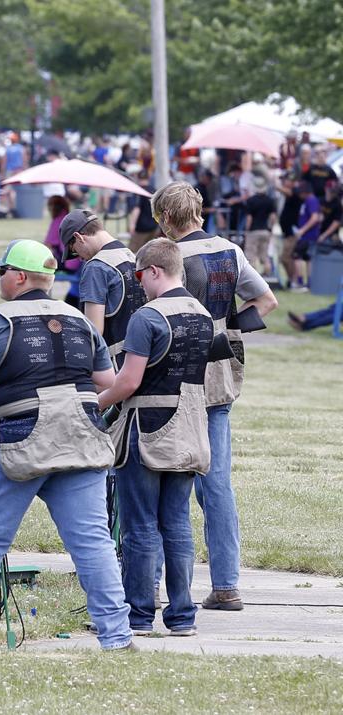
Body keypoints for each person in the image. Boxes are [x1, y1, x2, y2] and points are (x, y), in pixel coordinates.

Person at [0, 239, 131, 651]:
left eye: (1, 270)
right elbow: (107, 383)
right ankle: (117, 636)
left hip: (19, 438)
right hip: (82, 437)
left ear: (18, 276)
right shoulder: (79, 320)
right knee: (93, 541)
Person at [151, 181, 278, 611]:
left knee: (161, 477)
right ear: (199, 212)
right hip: (221, 374)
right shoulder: (231, 251)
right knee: (216, 483)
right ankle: (226, 585)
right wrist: (229, 330)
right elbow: (267, 301)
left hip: (174, 376)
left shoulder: (166, 257)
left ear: (166, 218)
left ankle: (150, 584)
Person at [97, 238, 214, 638]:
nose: (139, 285)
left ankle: (139, 616)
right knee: (178, 525)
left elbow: (128, 382)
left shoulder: (146, 318)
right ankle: (183, 616)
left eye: (139, 276)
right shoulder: (202, 313)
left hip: (146, 430)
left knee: (141, 526)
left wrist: (95, 403)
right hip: (190, 429)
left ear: (154, 271)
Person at [62, 209, 147, 365]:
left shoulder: (96, 267)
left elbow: (94, 332)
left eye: (75, 252)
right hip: (140, 358)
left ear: (78, 237)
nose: (80, 259)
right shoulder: (131, 255)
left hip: (113, 363)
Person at [287, 181, 321, 292]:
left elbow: (315, 217)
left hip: (307, 235)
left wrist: (302, 230)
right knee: (307, 258)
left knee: (297, 257)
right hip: (308, 235)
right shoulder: (308, 201)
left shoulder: (311, 200)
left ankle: (300, 283)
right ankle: (309, 283)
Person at [242, 172, 277, 275]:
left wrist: (246, 230)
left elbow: (249, 218)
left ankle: (253, 278)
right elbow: (273, 217)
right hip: (265, 230)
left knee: (251, 256)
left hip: (254, 230)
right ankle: (268, 275)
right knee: (264, 256)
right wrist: (270, 229)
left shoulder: (251, 201)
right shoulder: (270, 201)